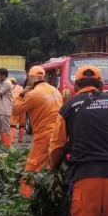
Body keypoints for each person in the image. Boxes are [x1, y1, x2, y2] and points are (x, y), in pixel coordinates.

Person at [48, 65, 108, 216]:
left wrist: (54, 171)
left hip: (85, 178)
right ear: (101, 85)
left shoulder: (68, 107)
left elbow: (56, 147)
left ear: (75, 86)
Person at [12, 65, 63, 197]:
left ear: (31, 78)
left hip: (43, 138)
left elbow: (15, 110)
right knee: (51, 169)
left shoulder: (33, 94)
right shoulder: (55, 91)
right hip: (59, 136)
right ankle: (51, 197)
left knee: (31, 169)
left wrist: (21, 94)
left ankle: (25, 199)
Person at [9, 77, 26, 144]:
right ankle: (20, 139)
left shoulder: (9, 88)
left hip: (15, 106)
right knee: (22, 124)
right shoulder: (21, 88)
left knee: (13, 124)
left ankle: (11, 140)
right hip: (22, 106)